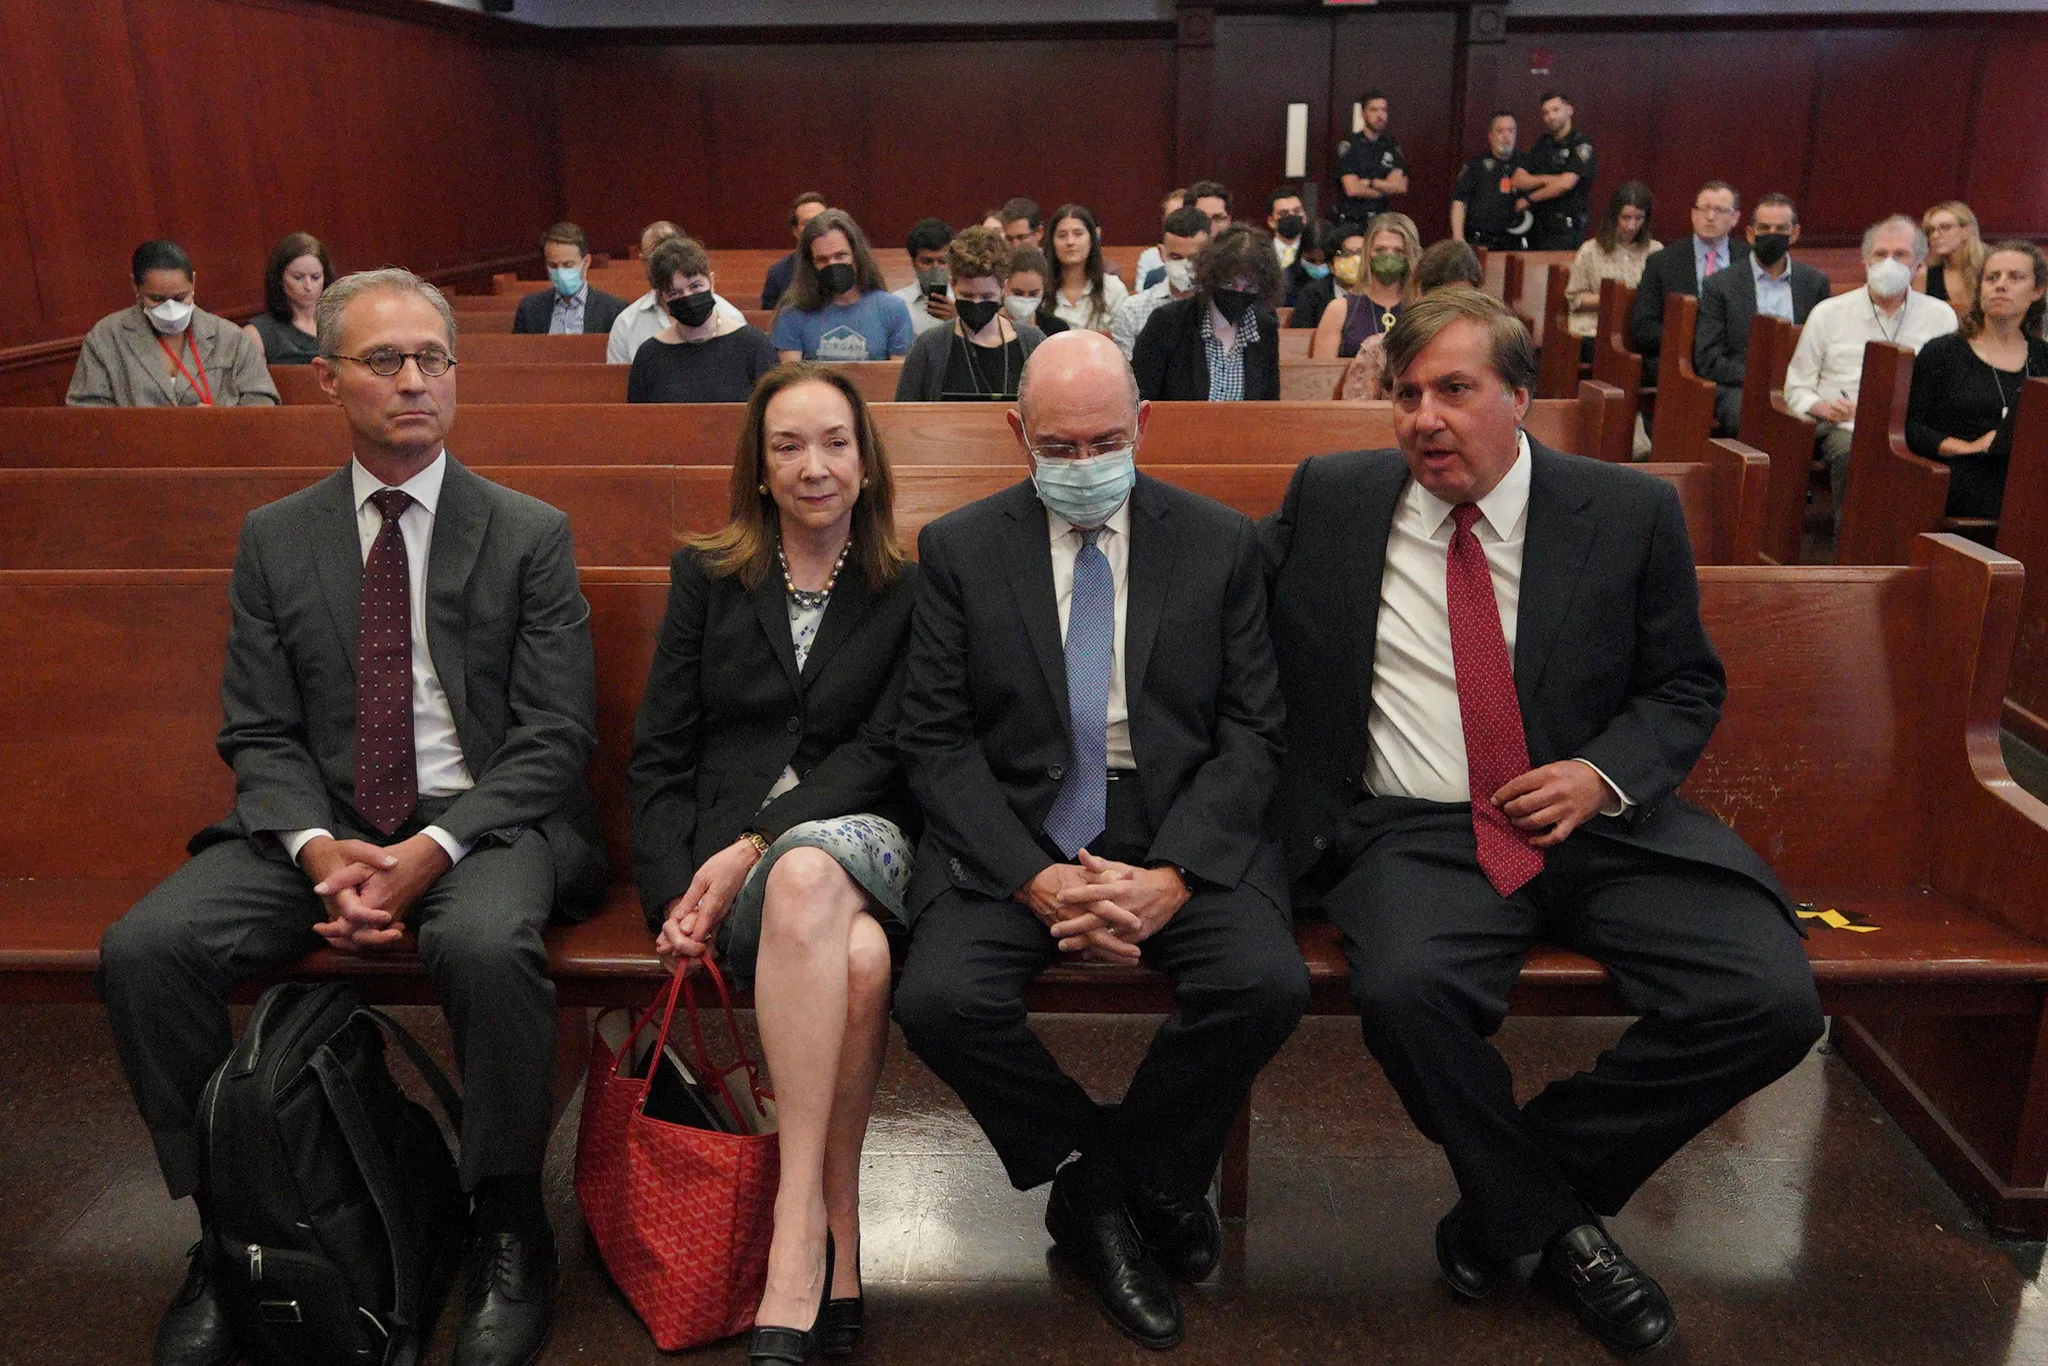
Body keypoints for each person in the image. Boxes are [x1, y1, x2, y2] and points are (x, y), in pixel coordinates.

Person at [1261, 286, 1822, 1357]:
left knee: (1768, 999)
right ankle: (1563, 1231)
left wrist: (1599, 774)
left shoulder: (1623, 511)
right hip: (1417, 825)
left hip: (1600, 822)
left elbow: (1682, 689)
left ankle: (1508, 1196)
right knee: (1406, 989)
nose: (1422, 416)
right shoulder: (1332, 498)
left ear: (1518, 396)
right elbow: (1223, 603)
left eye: (1453, 390)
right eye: (1405, 393)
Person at [96, 267, 607, 1366]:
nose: (416, 381)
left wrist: (429, 849)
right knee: (147, 948)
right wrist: (323, 851)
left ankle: (506, 1216)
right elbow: (258, 731)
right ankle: (232, 1231)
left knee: (482, 940)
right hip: (319, 829)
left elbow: (554, 737)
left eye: (434, 359)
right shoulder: (278, 537)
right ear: (325, 379)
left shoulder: (526, 532)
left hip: (482, 823)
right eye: (385, 361)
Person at [892, 330, 1308, 1351]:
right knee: (939, 999)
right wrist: (1033, 878)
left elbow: (1256, 730)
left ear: (1143, 427)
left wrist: (1173, 874)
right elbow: (935, 741)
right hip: (1021, 828)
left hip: (1177, 819)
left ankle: (1118, 1185)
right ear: (1016, 435)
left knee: (1263, 982)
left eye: (1103, 442)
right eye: (1059, 447)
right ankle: (1107, 1175)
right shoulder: (958, 548)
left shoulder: (1220, 542)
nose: (1084, 466)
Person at [629, 362, 918, 1366]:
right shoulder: (708, 577)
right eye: (787, 446)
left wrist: (757, 840)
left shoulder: (907, 585)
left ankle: (790, 1229)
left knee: (803, 873)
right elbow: (662, 748)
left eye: (834, 442)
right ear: (758, 468)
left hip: (859, 838)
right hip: (729, 873)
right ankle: (836, 1241)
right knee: (865, 964)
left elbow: (886, 750)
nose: (812, 466)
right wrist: (676, 891)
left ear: (865, 459)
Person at [1784, 215, 1956, 528]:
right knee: (1856, 453)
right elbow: (1795, 388)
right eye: (1880, 254)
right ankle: (1851, 554)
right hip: (1843, 426)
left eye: (1900, 255)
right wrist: (1823, 407)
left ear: (1919, 265)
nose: (1889, 263)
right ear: (1865, 262)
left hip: (1912, 426)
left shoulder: (1940, 317)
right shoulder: (1829, 313)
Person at [1904, 241, 2048, 525]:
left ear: (2037, 291)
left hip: (2028, 471)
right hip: (1962, 471)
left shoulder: (2042, 356)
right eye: (1992, 278)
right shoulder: (1943, 352)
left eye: (2015, 277)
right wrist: (1967, 447)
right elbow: (1912, 428)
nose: (2001, 286)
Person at [68, 239, 278, 407]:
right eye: (157, 299)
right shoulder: (105, 338)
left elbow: (263, 400)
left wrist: (222, 422)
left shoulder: (230, 337)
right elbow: (86, 412)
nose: (170, 309)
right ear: (135, 286)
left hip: (219, 453)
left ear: (193, 282)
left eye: (180, 298)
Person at [1695, 193, 1832, 434]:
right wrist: (1760, 378)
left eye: (1781, 228)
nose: (1772, 234)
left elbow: (1826, 346)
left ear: (1795, 234)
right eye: (1764, 228)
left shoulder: (1814, 283)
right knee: (1757, 421)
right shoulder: (1720, 285)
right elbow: (1709, 358)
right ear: (1750, 234)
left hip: (1801, 385)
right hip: (1741, 386)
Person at [1131, 225, 1283, 403]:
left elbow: (1269, 405)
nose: (1239, 292)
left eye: (1249, 286)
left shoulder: (1265, 329)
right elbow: (1140, 400)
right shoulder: (1167, 322)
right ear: (1212, 277)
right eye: (1229, 283)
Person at [896, 226, 1047, 401]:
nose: (976, 303)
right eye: (967, 295)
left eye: (986, 296)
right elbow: (904, 412)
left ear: (1003, 288)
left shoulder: (1033, 343)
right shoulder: (928, 347)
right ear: (952, 285)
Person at [627, 236, 779, 404]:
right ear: (662, 297)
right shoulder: (649, 355)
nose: (687, 297)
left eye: (695, 286)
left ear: (711, 282)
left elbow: (775, 409)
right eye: (675, 293)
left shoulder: (753, 344)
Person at [1340, 240, 1487, 401]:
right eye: (1441, 301)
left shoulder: (1491, 351)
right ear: (1420, 297)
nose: (1450, 312)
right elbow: (1353, 420)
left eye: (1462, 301)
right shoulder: (1378, 351)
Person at [1631, 181, 1747, 376]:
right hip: (1678, 360)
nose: (1710, 217)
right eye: (1704, 209)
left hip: (1733, 362)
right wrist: (1692, 340)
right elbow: (1644, 327)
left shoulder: (1748, 260)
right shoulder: (1662, 261)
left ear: (1735, 217)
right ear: (1693, 215)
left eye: (1719, 210)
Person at [770, 210, 914, 363]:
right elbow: (790, 380)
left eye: (840, 255)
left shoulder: (892, 309)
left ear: (856, 255)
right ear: (811, 265)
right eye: (822, 259)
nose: (832, 264)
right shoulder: (793, 313)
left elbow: (897, 377)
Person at [610, 220, 749, 365]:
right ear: (644, 263)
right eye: (656, 260)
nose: (668, 264)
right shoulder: (626, 323)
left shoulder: (731, 317)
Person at [1564, 181, 1659, 353]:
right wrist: (1614, 299)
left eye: (1638, 218)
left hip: (1635, 330)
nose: (1632, 226)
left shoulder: (1655, 251)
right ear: (1614, 216)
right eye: (1626, 217)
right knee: (1610, 351)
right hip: (1594, 328)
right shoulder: (1590, 250)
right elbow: (1575, 298)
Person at [1311, 212, 1420, 360]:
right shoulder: (1339, 310)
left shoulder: (1422, 308)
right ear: (1368, 252)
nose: (1388, 256)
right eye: (1380, 250)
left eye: (1399, 251)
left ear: (1410, 255)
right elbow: (1322, 376)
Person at [1110, 206, 1211, 360]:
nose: (1186, 266)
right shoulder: (1132, 310)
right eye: (1176, 257)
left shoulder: (1220, 306)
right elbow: (1127, 374)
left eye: (1194, 258)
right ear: (1161, 253)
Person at [1515, 92, 1596, 251]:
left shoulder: (1581, 144)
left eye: (1556, 110)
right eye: (1546, 113)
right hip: (1538, 227)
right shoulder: (1542, 145)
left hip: (1565, 229)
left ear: (1569, 110)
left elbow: (1565, 185)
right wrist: (1549, 180)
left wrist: (1529, 199)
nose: (1550, 116)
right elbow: (1518, 179)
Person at [512, 222, 626, 336]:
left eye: (568, 265)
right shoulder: (529, 308)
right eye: (553, 266)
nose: (560, 273)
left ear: (586, 262)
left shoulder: (613, 310)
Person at [244, 232, 331, 365]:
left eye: (315, 277)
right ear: (279, 279)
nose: (308, 286)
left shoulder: (343, 321)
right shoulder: (257, 334)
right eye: (297, 277)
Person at [1047, 204, 1130, 333]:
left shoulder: (1113, 289)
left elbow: (1123, 341)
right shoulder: (1041, 290)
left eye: (1078, 234)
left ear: (1091, 240)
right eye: (1062, 235)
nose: (1070, 242)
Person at [1451, 112, 1528, 251]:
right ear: (1490, 136)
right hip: (1480, 242)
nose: (1506, 136)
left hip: (1514, 243)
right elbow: (1459, 201)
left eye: (1511, 131)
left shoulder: (1527, 163)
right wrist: (1458, 238)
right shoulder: (1476, 165)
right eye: (1500, 131)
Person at [1334, 89, 1407, 225]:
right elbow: (1352, 189)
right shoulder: (1349, 145)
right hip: (1352, 220)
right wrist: (1385, 189)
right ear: (1363, 113)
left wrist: (1370, 183)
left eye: (1383, 110)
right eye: (1374, 110)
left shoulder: (1391, 145)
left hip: (1382, 219)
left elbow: (1400, 186)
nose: (1380, 115)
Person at [891, 217, 959, 336]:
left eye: (942, 261)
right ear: (914, 263)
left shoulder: (965, 300)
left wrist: (959, 320)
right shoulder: (896, 303)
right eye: (927, 261)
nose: (935, 268)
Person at [763, 192, 830, 311]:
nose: (816, 227)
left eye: (822, 219)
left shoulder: (848, 264)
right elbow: (770, 321)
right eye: (807, 223)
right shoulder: (778, 273)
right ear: (795, 231)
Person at [1920, 201, 1985, 317]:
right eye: (1931, 230)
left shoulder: (1990, 268)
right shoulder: (1925, 275)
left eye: (1945, 227)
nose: (1935, 235)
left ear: (1966, 231)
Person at [1285, 220, 1348, 330]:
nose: (1318, 266)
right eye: (1311, 261)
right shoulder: (1287, 280)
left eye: (1323, 262)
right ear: (1301, 252)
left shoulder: (1342, 283)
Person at [1003, 247, 1070, 337]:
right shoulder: (987, 328)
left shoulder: (1058, 329)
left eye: (1033, 294)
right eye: (1017, 293)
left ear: (1043, 288)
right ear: (1004, 286)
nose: (1025, 299)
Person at [1134, 188, 1189, 287]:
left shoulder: (1206, 254)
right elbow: (1142, 296)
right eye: (1172, 217)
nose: (1179, 223)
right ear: (1164, 220)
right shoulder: (1150, 257)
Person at [1266, 185, 1308, 273]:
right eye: (1284, 213)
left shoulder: (1312, 252)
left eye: (1297, 211)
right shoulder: (1261, 253)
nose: (1291, 216)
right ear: (1271, 221)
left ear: (1304, 216)